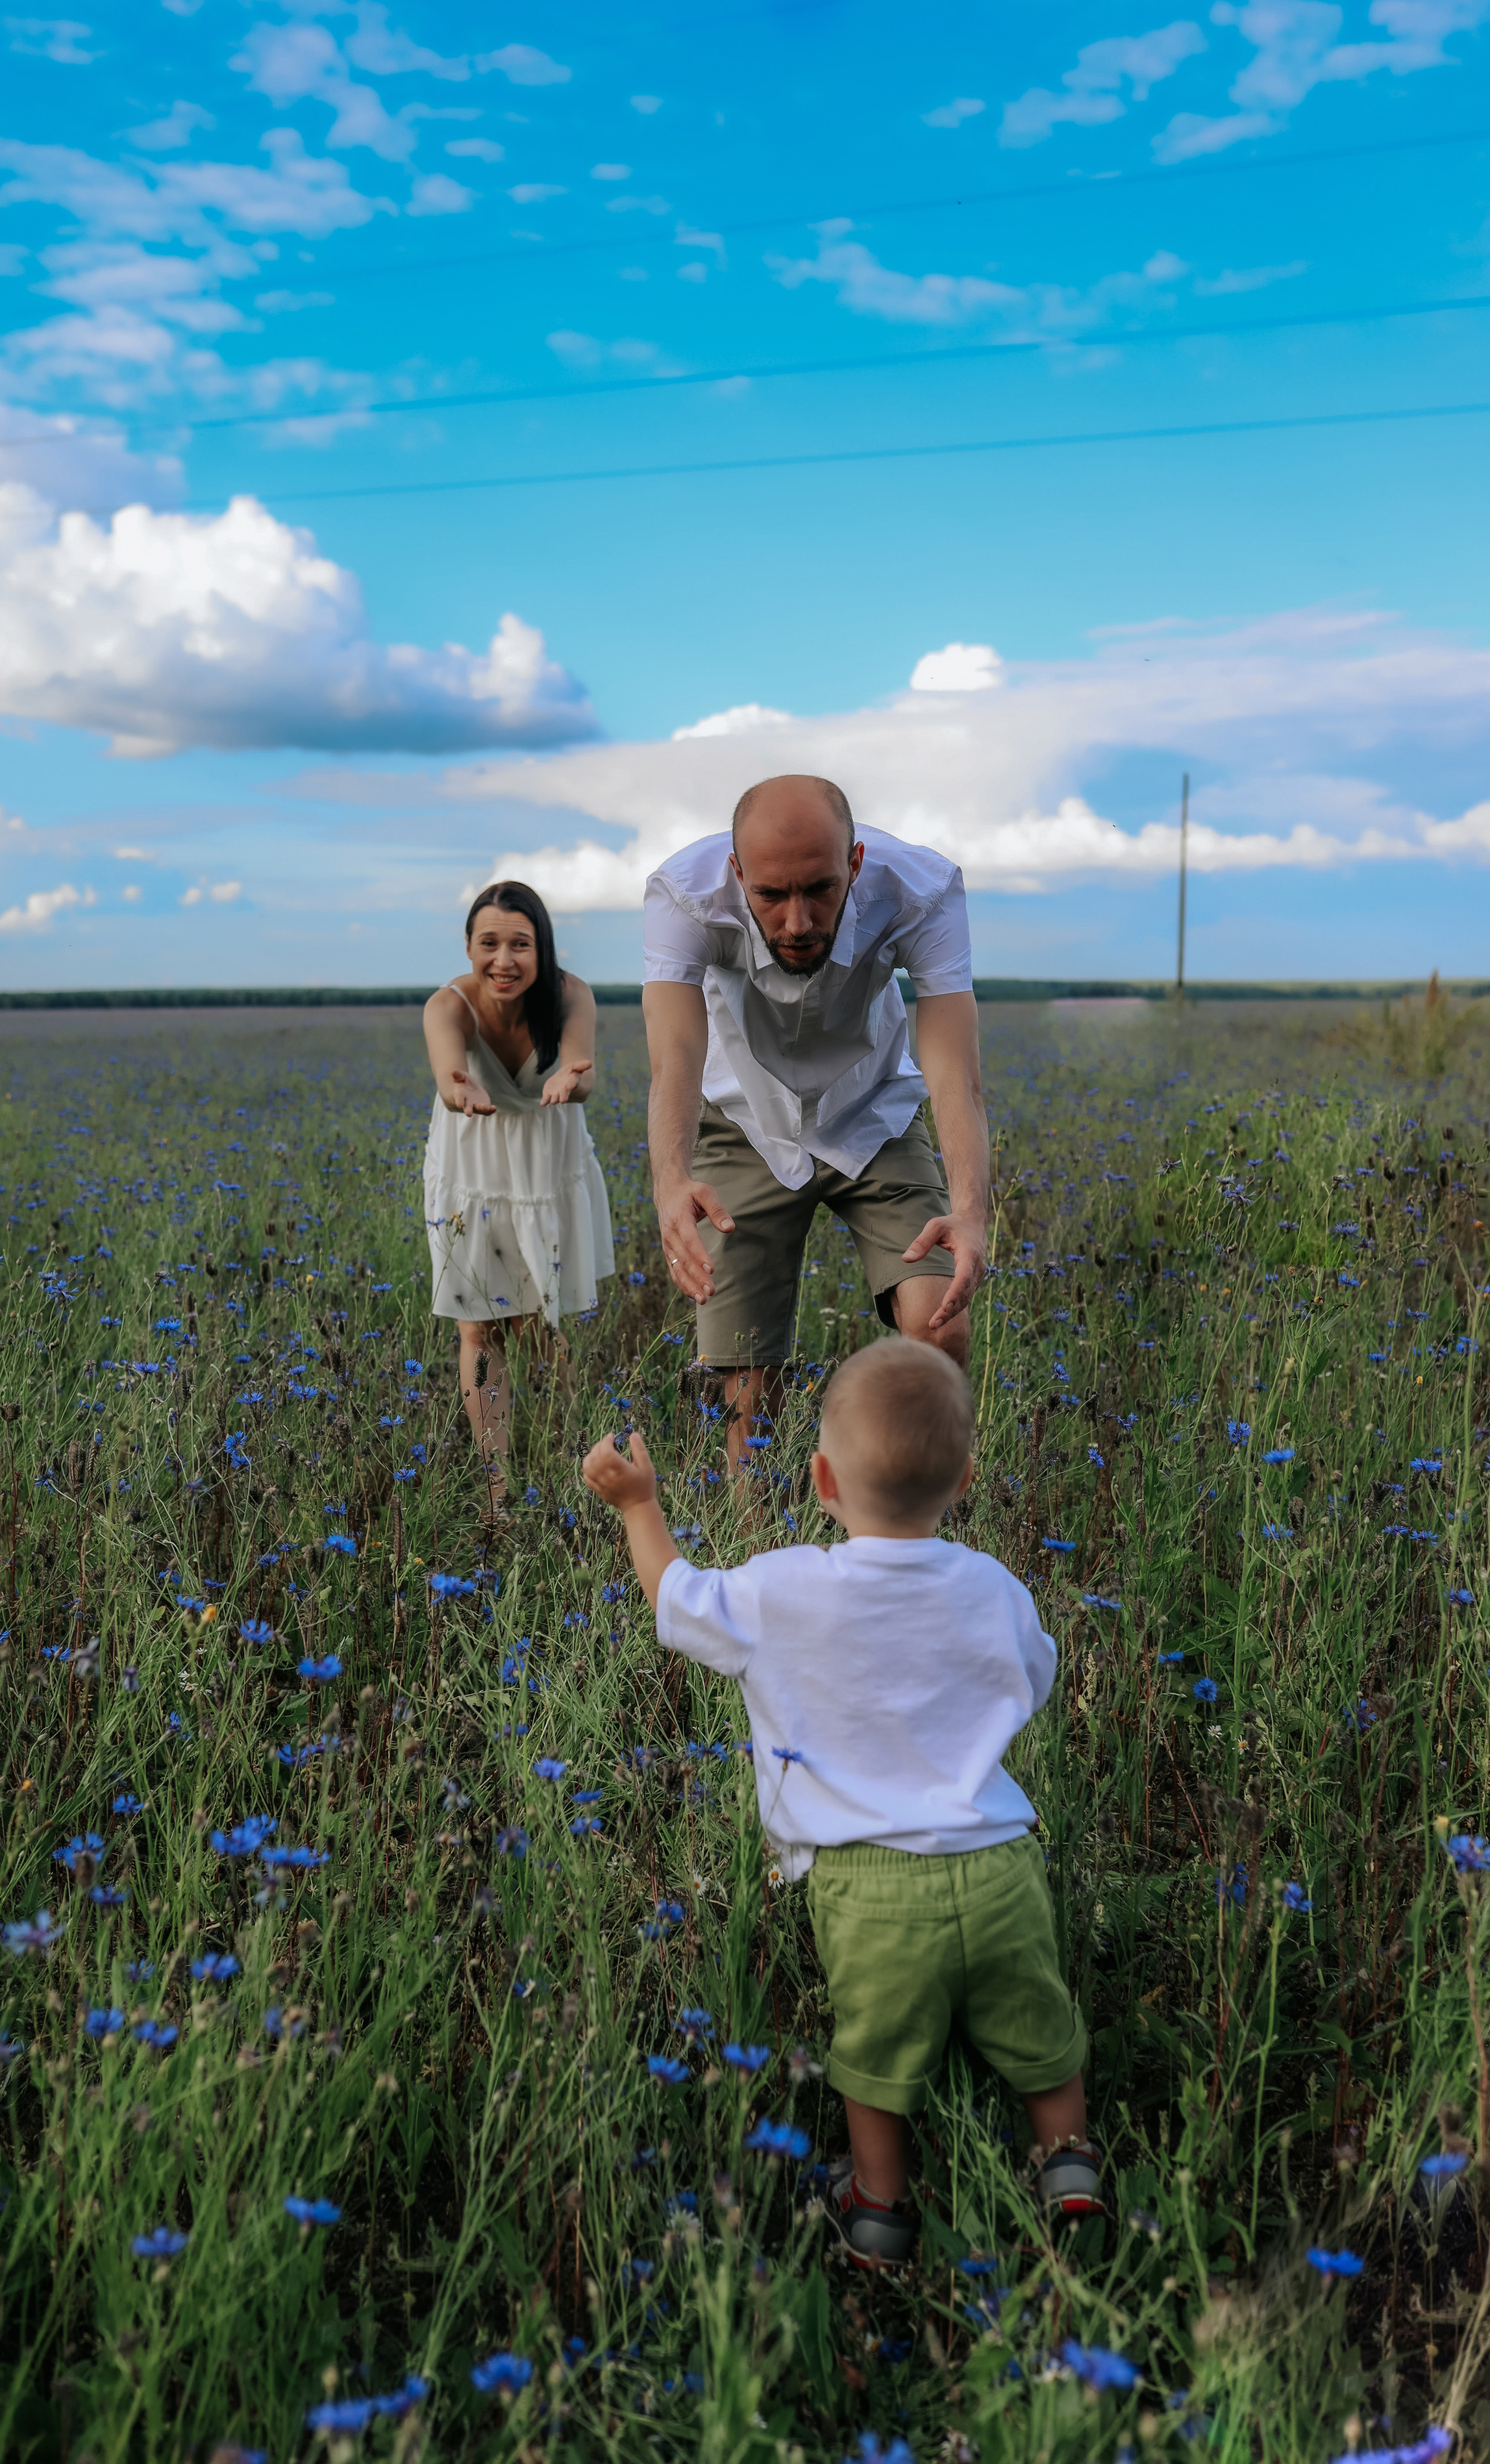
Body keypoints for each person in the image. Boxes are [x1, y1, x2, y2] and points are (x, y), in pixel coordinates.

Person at [580, 1335, 1102, 2266]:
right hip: (1000, 1864)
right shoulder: (994, 1587)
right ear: (965, 1480)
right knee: (1038, 2022)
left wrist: (639, 1505)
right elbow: (1033, 1678)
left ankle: (877, 2209)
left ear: (820, 1478)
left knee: (876, 2052)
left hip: (866, 1887)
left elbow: (676, 1599)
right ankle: (1068, 2164)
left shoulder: (782, 1588)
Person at [642, 773, 989, 1465]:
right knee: (744, 1382)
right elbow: (675, 1056)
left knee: (940, 1326)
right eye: (771, 895)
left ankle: (915, 1514)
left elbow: (955, 1071)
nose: (797, 923)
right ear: (736, 872)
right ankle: (754, 1528)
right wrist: (671, 1181)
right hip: (743, 1119)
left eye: (821, 889)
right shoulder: (683, 895)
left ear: (855, 865)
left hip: (874, 1114)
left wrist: (972, 1212)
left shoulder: (921, 891)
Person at [423, 881, 614, 1491]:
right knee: (477, 1327)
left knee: (541, 1325)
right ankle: (496, 1487)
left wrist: (569, 1082)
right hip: (472, 1167)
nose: (503, 960)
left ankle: (576, 1469)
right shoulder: (447, 1005)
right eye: (489, 944)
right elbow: (450, 1078)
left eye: (520, 945)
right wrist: (460, 1089)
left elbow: (582, 1074)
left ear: (543, 947)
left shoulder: (570, 994)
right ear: (468, 946)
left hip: (544, 1163)